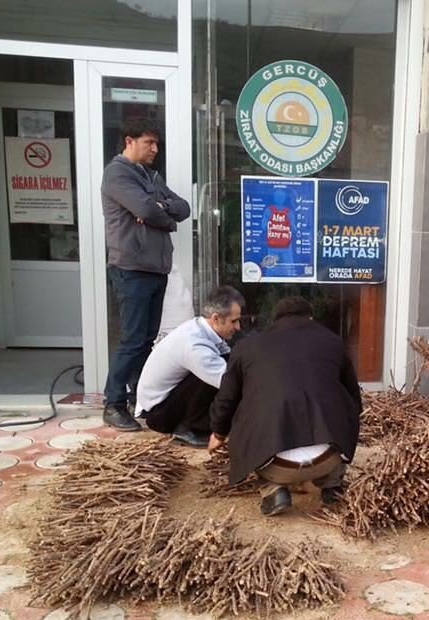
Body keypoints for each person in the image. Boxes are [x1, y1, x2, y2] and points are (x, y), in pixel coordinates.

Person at [208, 297, 362, 517]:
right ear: (310, 318)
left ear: (275, 320)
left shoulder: (248, 347)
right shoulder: (333, 342)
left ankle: (274, 489)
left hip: (275, 465)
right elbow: (354, 401)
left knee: (246, 414)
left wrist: (219, 432)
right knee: (336, 408)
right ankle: (331, 483)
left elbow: (227, 399)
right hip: (328, 458)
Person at [101, 117, 191, 431]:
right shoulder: (117, 174)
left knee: (147, 339)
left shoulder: (150, 176)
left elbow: (183, 207)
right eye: (148, 142)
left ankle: (137, 397)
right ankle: (113, 403)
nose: (155, 149)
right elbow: (149, 211)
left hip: (155, 267)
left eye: (157, 143)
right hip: (131, 267)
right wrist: (159, 212)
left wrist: (158, 208)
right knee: (133, 339)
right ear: (129, 141)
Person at [135, 286, 245, 447]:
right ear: (215, 318)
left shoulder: (202, 329)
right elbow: (229, 382)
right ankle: (185, 427)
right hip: (159, 413)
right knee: (223, 378)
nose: (238, 327)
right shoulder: (194, 344)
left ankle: (198, 422)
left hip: (168, 401)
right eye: (233, 321)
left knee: (228, 363)